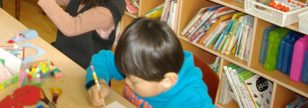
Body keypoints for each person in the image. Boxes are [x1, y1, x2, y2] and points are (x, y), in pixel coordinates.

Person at [85, 17, 214, 108]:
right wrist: (99, 83)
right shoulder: (139, 63)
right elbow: (102, 59)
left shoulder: (192, 100)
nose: (127, 82)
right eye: (126, 75)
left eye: (134, 81)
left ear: (167, 81)